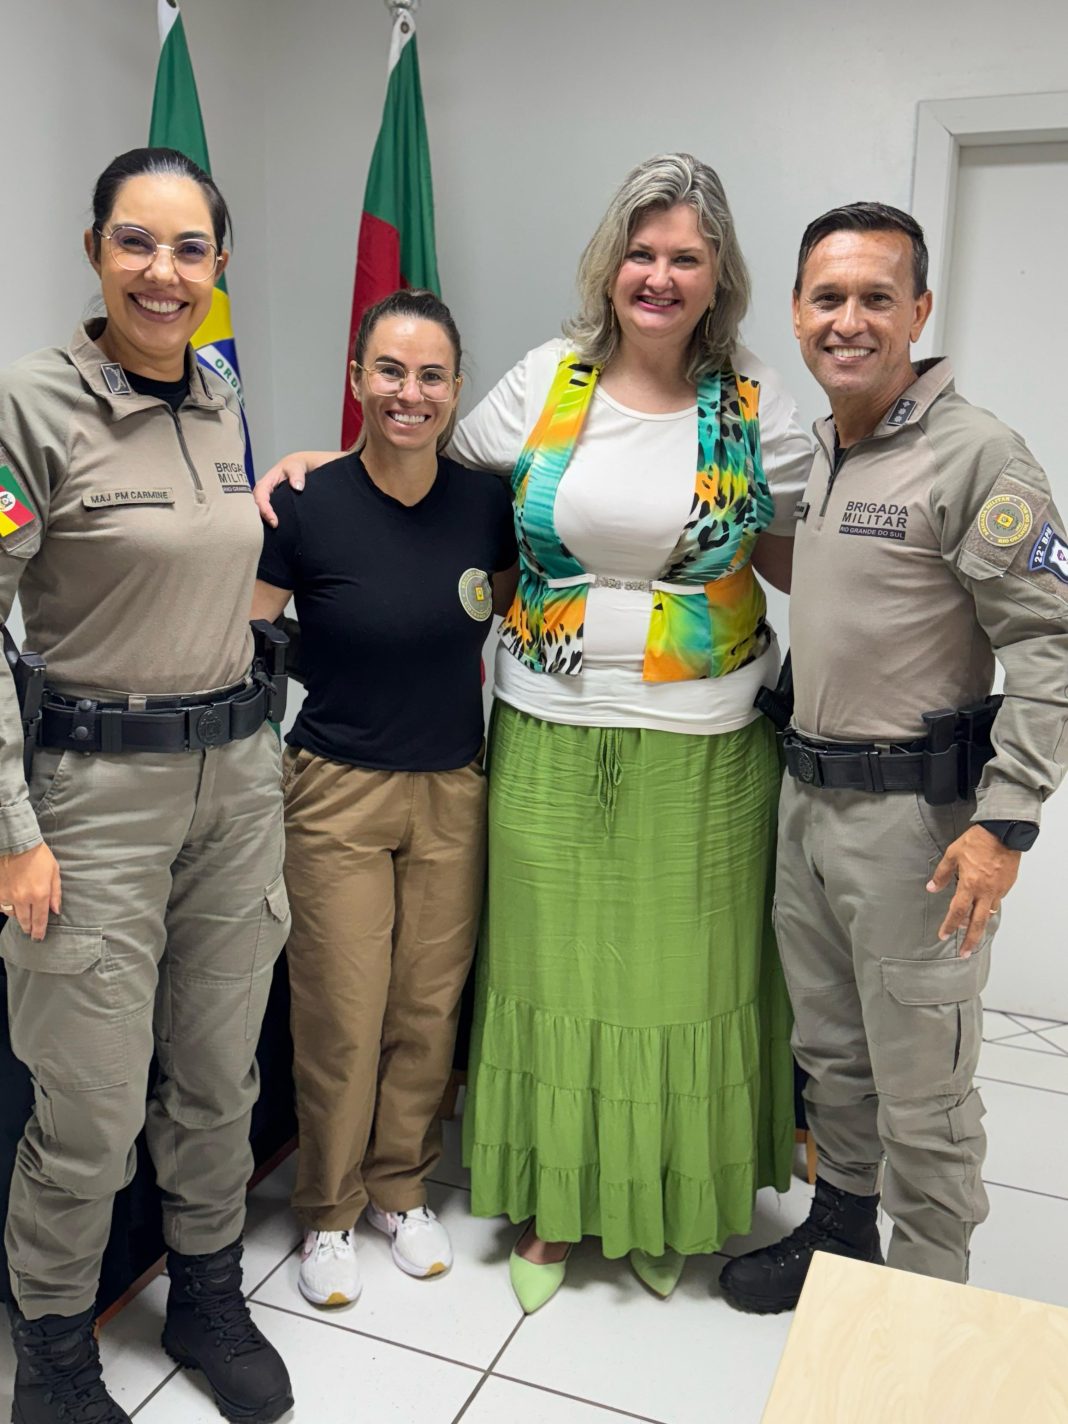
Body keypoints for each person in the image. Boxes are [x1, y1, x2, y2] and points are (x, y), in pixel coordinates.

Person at [255, 153, 813, 1312]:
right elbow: (417, 471)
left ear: (719, 276)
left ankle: (664, 1203)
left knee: (677, 983)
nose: (658, 275)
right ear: (610, 264)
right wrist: (318, 467)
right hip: (545, 729)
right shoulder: (550, 379)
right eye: (641, 252)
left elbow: (806, 546)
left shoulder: (755, 397)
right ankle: (555, 1203)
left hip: (706, 744)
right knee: (545, 976)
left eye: (686, 257)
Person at [719, 202, 1068, 1314]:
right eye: (828, 298)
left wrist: (1006, 821)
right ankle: (839, 1236)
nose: (850, 321)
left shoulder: (977, 456)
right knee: (833, 1057)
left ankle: (927, 1320)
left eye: (878, 297)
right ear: (797, 313)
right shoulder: (824, 448)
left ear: (919, 311)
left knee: (925, 1094)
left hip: (920, 833)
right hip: (810, 805)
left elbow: (1051, 643)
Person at [0, 149, 293, 1424]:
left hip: (234, 782)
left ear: (219, 265)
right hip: (92, 796)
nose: (162, 272)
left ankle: (208, 1291)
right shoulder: (31, 405)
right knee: (91, 1100)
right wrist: (11, 830)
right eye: (136, 242)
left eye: (189, 249)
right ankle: (55, 1354)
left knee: (221, 1072)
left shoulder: (219, 394)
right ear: (94, 250)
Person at [251, 289, 516, 1310]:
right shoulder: (304, 504)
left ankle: (400, 1187)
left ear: (455, 387)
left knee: (427, 1004)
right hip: (336, 790)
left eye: (432, 374)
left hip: (453, 783)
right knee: (342, 1010)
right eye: (391, 370)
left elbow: (507, 609)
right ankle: (328, 1207)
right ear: (357, 377)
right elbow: (247, 649)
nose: (411, 392)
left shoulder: (485, 505)